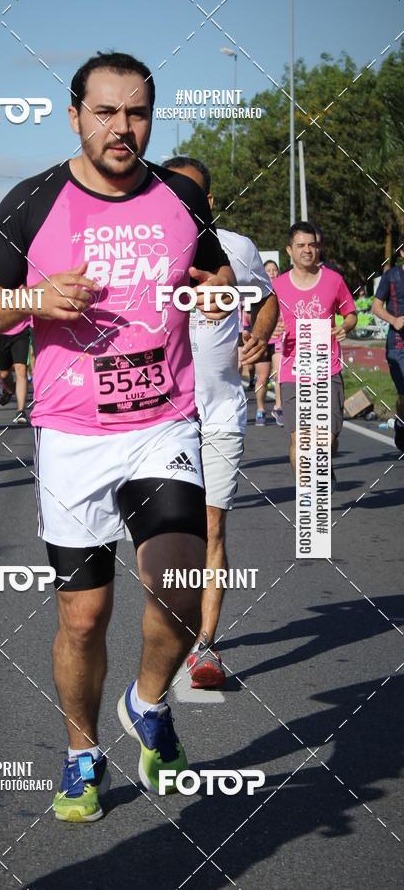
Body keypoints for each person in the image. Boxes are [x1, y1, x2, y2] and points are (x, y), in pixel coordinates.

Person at [0, 52, 236, 822]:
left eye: (138, 113)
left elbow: (210, 270)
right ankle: (83, 751)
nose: (123, 128)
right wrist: (34, 298)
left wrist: (217, 295)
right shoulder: (33, 201)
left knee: (180, 590)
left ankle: (148, 704)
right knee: (83, 618)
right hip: (74, 435)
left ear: (153, 118)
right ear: (77, 115)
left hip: (163, 421)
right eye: (106, 112)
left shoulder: (181, 195)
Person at [162, 156, 278, 688]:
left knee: (211, 527)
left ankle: (204, 649)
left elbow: (268, 298)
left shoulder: (238, 248)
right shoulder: (147, 253)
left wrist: (260, 333)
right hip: (162, 417)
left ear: (207, 201)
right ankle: (169, 631)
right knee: (168, 537)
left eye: (191, 194)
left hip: (223, 409)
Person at [274, 222, 357, 488]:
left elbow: (351, 314)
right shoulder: (276, 285)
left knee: (326, 441)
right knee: (300, 438)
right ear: (290, 250)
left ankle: (324, 463)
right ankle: (307, 492)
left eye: (312, 244)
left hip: (326, 369)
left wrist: (344, 326)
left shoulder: (334, 280)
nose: (307, 250)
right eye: (301, 245)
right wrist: (272, 328)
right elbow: (263, 322)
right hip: (293, 371)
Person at [371, 250, 404, 451]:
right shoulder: (391, 276)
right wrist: (394, 320)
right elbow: (376, 306)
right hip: (398, 344)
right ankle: (401, 425)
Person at [0, 317, 32, 422]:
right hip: (0, 332)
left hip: (22, 330)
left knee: (21, 369)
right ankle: (10, 390)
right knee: (4, 375)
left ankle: (20, 411)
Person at [264, 260, 284, 425]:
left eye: (274, 270)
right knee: (261, 377)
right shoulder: (259, 288)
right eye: (268, 270)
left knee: (279, 372)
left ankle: (278, 406)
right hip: (263, 335)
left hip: (279, 335)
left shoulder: (284, 287)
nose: (272, 273)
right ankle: (259, 408)